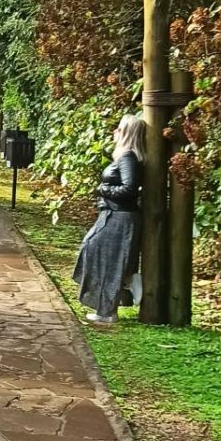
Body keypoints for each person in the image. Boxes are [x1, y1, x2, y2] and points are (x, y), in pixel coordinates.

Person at [73, 114, 145, 324]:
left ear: (127, 134)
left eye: (119, 129)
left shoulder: (128, 157)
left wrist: (104, 189)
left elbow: (130, 188)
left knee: (104, 257)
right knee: (94, 250)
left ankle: (109, 308)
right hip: (114, 214)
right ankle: (127, 282)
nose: (114, 132)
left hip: (120, 216)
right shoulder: (125, 156)